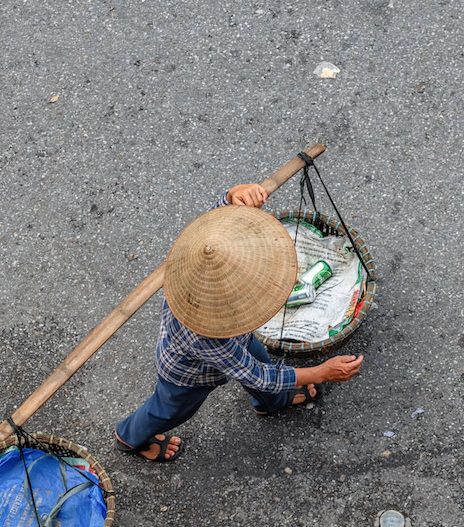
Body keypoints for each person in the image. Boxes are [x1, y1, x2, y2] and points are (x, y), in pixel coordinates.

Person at [115, 183, 365, 462]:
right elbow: (257, 375)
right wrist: (321, 372)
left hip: (240, 340)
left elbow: (212, 232)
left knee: (265, 364)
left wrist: (232, 197)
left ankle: (271, 402)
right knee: (169, 410)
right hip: (188, 376)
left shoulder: (197, 254)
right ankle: (130, 437)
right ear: (224, 306)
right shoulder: (207, 335)